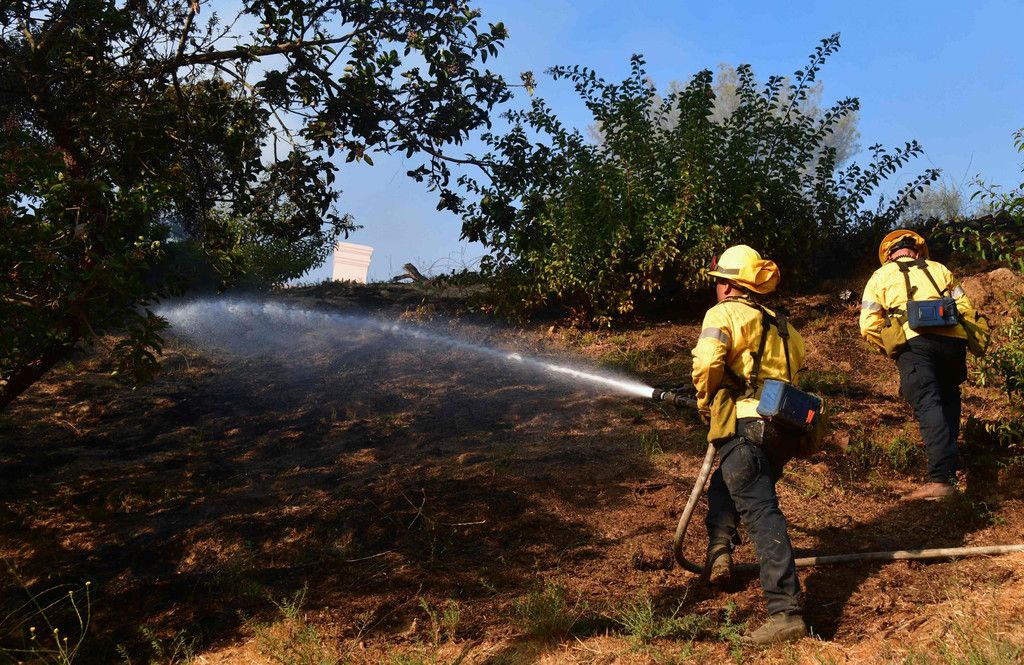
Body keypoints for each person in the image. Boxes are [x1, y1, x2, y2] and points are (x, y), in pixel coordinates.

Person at [691, 244, 809, 646]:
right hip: (782, 430)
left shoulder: (722, 313)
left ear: (727, 285)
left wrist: (706, 401)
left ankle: (786, 612)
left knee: (761, 512)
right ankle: (719, 549)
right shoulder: (784, 327)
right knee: (728, 484)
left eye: (718, 282)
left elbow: (708, 362)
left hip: (744, 423)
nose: (717, 289)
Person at [859, 229, 977, 501]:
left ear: (889, 255)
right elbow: (966, 308)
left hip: (915, 344)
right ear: (917, 251)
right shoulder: (940, 269)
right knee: (948, 400)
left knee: (928, 403)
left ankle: (941, 481)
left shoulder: (881, 276)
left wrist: (891, 346)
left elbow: (868, 325)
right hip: (953, 343)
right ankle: (948, 473)